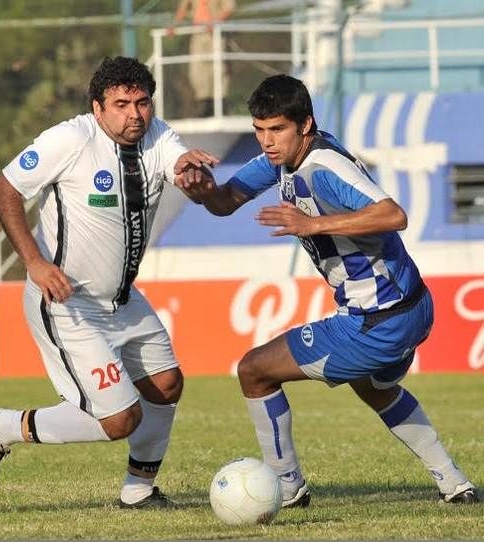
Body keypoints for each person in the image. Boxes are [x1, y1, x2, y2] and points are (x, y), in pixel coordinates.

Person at [175, 74, 480, 506]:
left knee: (254, 371)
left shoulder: (325, 165)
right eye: (259, 130)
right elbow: (224, 202)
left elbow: (394, 214)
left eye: (276, 129)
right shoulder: (281, 158)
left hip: (375, 319)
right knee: (375, 389)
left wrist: (313, 224)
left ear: (305, 125)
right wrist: (203, 191)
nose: (266, 141)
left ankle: (287, 486)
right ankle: (455, 483)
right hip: (411, 307)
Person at [0, 56, 218, 508]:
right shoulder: (69, 139)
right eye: (121, 104)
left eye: (142, 103)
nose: (134, 114)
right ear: (97, 107)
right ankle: (2, 426)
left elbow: (176, 160)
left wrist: (190, 172)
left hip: (123, 300)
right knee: (121, 419)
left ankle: (139, 490)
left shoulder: (157, 134)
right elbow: (4, 190)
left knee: (166, 384)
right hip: (67, 303)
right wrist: (34, 262)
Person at [168, 0, 236, 117]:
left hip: (217, 33)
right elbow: (183, 8)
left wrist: (215, 23)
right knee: (197, 69)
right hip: (198, 32)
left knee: (219, 68)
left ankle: (220, 104)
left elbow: (229, 8)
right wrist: (174, 25)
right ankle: (204, 103)